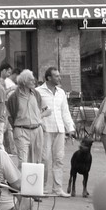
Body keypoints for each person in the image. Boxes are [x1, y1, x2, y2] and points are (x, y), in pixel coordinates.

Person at [36, 66, 75, 197]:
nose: (59, 78)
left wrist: (70, 128)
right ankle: (42, 187)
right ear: (48, 78)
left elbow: (65, 111)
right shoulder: (38, 92)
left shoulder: (61, 93)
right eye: (56, 76)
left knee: (59, 159)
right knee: (44, 158)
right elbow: (35, 110)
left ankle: (57, 188)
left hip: (59, 129)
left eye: (59, 75)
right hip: (45, 128)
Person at [6, 69, 48, 168]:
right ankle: (22, 183)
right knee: (23, 162)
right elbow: (9, 116)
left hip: (37, 130)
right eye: (31, 80)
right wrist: (16, 127)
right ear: (24, 82)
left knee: (36, 161)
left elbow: (47, 110)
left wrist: (39, 117)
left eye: (34, 80)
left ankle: (35, 183)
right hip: (21, 130)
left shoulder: (36, 94)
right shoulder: (14, 97)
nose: (34, 82)